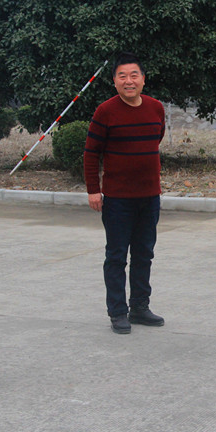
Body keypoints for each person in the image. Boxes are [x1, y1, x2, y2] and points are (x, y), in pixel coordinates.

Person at [84, 52, 166, 335]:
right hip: (118, 199)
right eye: (122, 76)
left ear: (143, 79)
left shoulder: (156, 108)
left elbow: (155, 140)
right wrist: (94, 190)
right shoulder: (105, 111)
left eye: (134, 75)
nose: (129, 81)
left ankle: (140, 307)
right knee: (117, 256)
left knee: (144, 253)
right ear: (114, 81)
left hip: (149, 196)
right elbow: (91, 153)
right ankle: (118, 312)